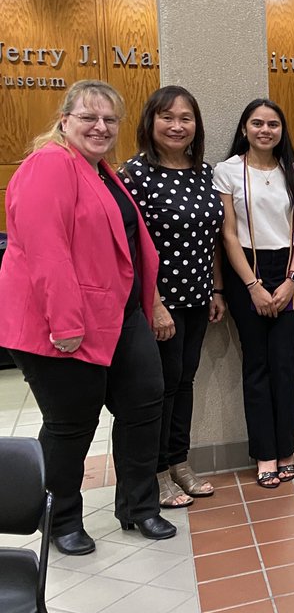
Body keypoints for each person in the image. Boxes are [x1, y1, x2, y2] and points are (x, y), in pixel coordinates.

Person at [0, 80, 175, 555]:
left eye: (110, 119)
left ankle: (139, 507)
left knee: (144, 404)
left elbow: (126, 248)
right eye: (88, 117)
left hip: (118, 313)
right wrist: (66, 324)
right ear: (64, 121)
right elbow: (46, 251)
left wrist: (150, 301)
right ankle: (59, 520)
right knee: (71, 422)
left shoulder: (100, 170)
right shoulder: (49, 164)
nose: (101, 127)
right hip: (60, 321)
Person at [121, 86, 226, 509]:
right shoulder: (135, 175)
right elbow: (131, 247)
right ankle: (158, 470)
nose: (177, 126)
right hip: (159, 304)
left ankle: (180, 461)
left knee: (184, 382)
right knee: (160, 389)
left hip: (198, 298)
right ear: (150, 122)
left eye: (186, 118)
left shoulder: (204, 172)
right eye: (167, 117)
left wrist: (216, 288)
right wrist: (155, 304)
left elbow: (213, 236)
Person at [215, 99, 294, 489]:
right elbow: (227, 234)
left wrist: (291, 281)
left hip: (287, 269)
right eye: (257, 123)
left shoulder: (293, 171)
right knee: (256, 366)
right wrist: (253, 286)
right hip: (245, 270)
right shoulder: (227, 171)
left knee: (283, 366)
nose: (265, 130)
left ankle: (286, 450)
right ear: (244, 129)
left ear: (281, 131)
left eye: (273, 124)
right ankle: (264, 454)